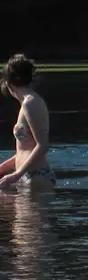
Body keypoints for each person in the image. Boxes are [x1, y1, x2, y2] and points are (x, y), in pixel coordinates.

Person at [0, 54, 56, 190]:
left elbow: (42, 146)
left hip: (37, 176)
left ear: (9, 82)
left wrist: (16, 175)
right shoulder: (25, 103)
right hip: (24, 176)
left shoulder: (31, 103)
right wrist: (2, 169)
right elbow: (24, 150)